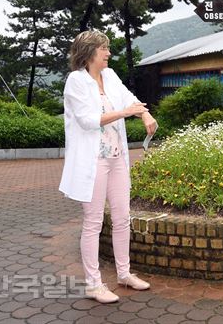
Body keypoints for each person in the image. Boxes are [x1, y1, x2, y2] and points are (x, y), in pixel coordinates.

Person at [59, 31, 158, 304]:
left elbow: (129, 98)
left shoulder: (111, 75)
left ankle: (124, 273)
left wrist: (145, 113)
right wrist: (126, 113)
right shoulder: (76, 81)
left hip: (116, 158)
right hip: (93, 161)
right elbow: (88, 120)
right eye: (104, 48)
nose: (108, 53)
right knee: (93, 223)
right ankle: (93, 284)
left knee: (123, 217)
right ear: (90, 52)